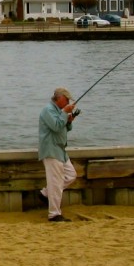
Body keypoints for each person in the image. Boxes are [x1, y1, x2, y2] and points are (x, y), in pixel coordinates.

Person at [38, 86, 78, 222]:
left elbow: (63, 127)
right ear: (60, 98)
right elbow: (55, 126)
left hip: (61, 150)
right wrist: (64, 113)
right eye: (66, 100)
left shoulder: (60, 111)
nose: (67, 103)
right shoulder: (47, 110)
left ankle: (45, 193)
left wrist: (69, 121)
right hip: (51, 150)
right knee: (56, 182)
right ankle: (54, 214)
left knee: (71, 175)